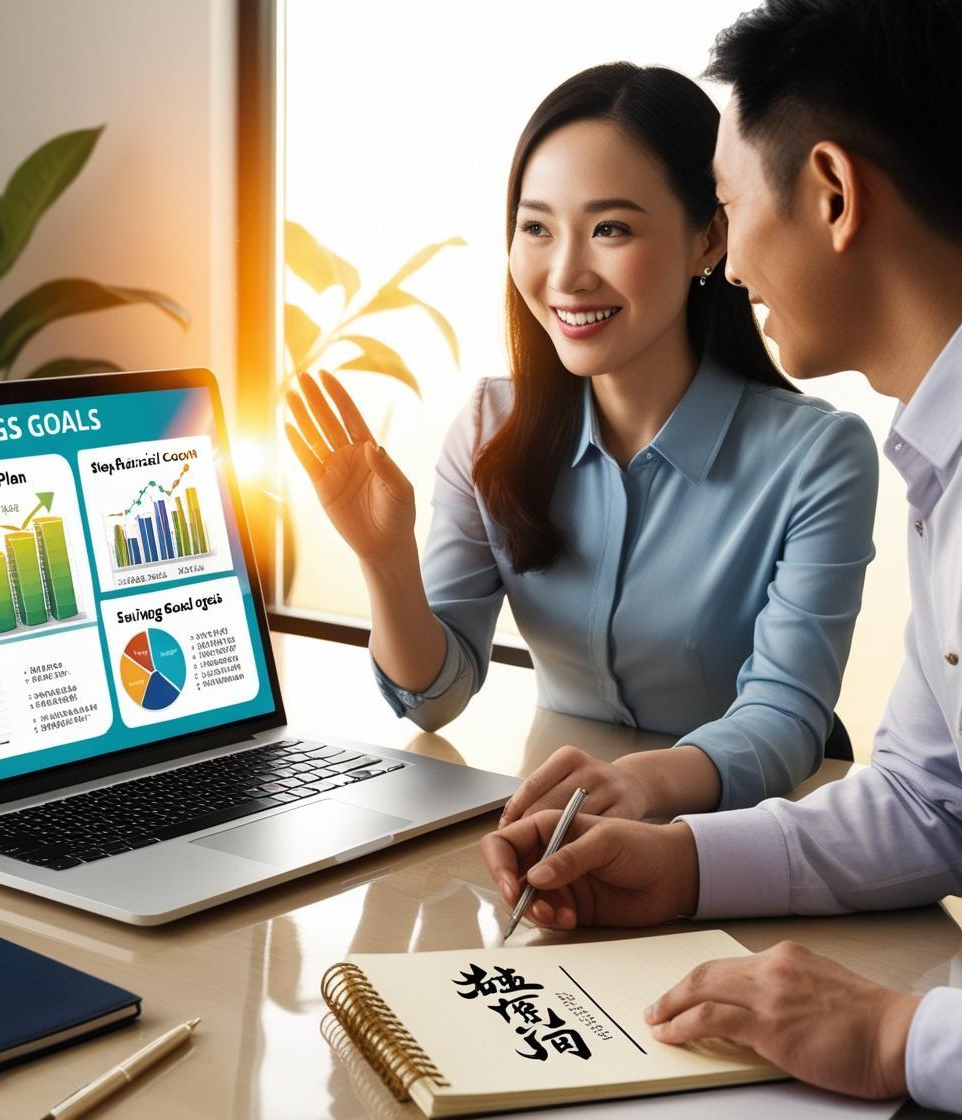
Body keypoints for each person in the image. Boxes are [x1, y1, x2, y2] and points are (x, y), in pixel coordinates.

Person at [481, 0, 962, 1112]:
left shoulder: (831, 453)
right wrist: (684, 863)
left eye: (731, 206)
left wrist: (903, 1034)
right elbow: (932, 805)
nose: (731, 255)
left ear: (832, 196)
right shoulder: (937, 459)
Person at [285, 62, 877, 822]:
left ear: (709, 238)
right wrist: (385, 559)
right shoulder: (487, 429)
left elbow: (784, 723)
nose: (565, 274)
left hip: (732, 842)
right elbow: (434, 700)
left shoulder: (818, 460)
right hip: (559, 828)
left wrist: (637, 787)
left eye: (611, 229)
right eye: (536, 227)